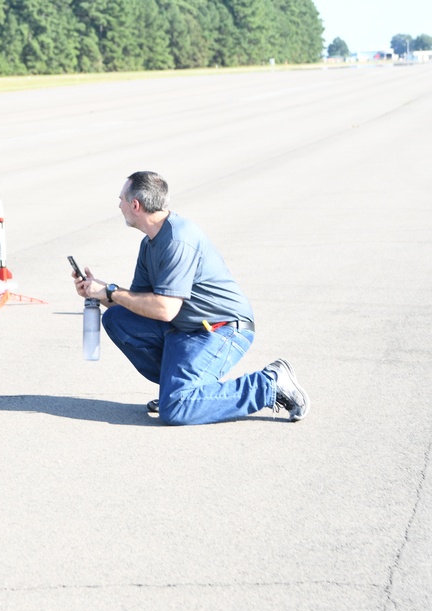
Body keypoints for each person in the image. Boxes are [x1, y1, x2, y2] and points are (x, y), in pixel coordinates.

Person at [73, 171, 309, 425]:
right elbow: (139, 302)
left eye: (121, 199)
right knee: (118, 318)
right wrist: (96, 293)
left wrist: (110, 290)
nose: (118, 205)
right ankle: (183, 391)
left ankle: (269, 384)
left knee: (175, 410)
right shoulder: (150, 243)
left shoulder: (178, 239)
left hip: (221, 329)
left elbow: (164, 310)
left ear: (135, 205)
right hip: (186, 328)